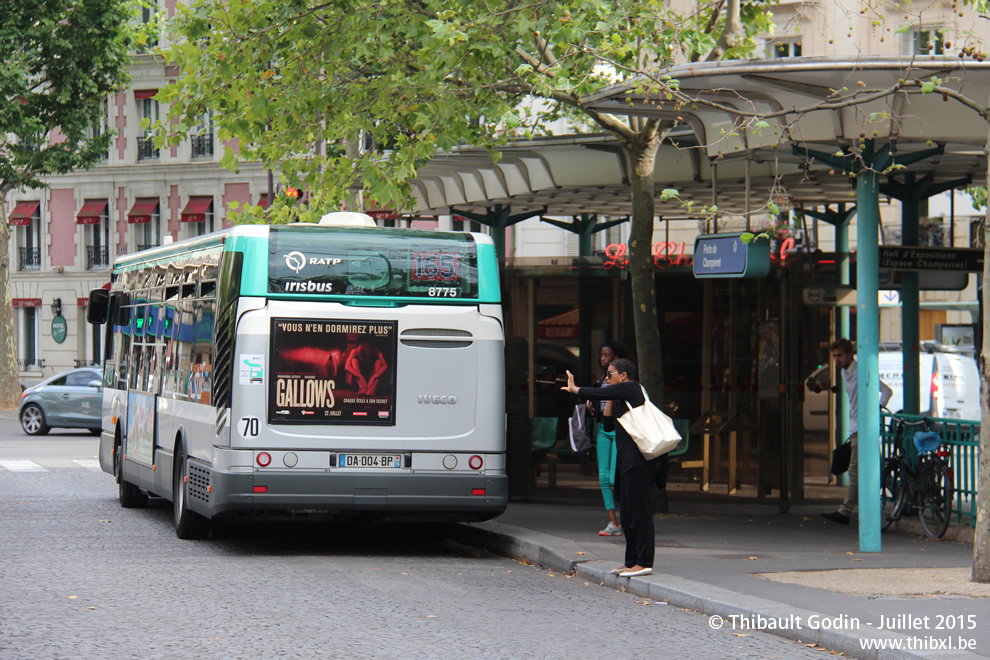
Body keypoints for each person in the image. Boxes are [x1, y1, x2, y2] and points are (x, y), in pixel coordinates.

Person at [562, 358, 663, 578]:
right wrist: (610, 397)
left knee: (640, 512)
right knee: (626, 513)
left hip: (640, 461)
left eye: (610, 374)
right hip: (627, 463)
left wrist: (576, 389)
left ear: (624, 375)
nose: (606, 379)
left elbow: (598, 393)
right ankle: (631, 561)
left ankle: (644, 561)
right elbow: (607, 424)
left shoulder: (633, 388)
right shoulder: (620, 397)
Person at [821, 338, 893, 525]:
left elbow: (886, 391)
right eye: (834, 356)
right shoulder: (845, 373)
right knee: (876, 468)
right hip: (856, 427)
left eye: (839, 356)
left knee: (854, 470)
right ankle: (902, 497)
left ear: (849, 354)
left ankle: (845, 511)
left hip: (863, 428)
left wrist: (876, 409)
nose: (837, 360)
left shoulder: (861, 371)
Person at [587, 340, 629, 537]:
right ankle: (614, 523)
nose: (603, 359)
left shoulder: (623, 381)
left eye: (607, 355)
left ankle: (628, 518)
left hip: (618, 430)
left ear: (617, 359)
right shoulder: (602, 380)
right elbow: (603, 406)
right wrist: (593, 407)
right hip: (603, 429)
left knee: (614, 477)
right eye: (601, 355)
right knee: (603, 477)